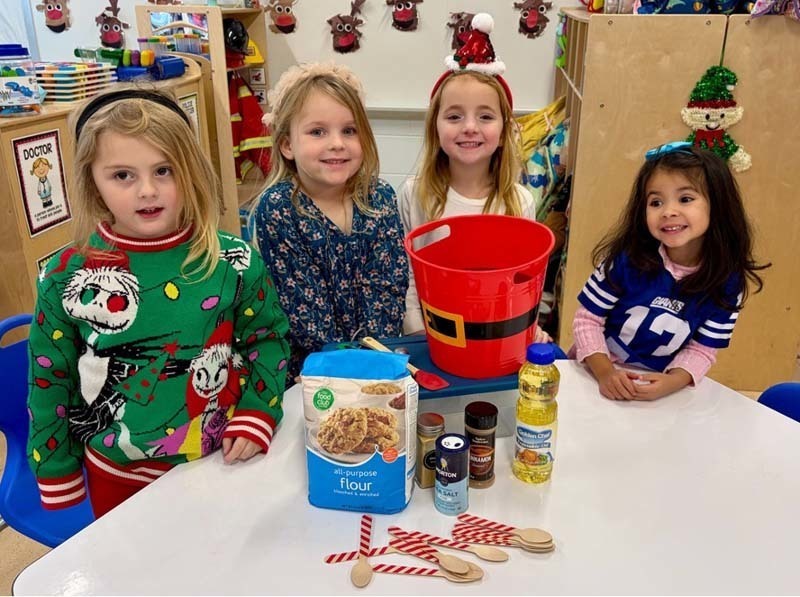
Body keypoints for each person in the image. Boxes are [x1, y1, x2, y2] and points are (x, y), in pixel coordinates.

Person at [27, 88, 290, 517]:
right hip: (117, 472)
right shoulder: (64, 275)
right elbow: (49, 377)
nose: (147, 190)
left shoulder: (233, 261)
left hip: (218, 461)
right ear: (91, 178)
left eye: (164, 170)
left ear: (189, 171)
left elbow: (268, 340)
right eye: (123, 175)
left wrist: (259, 411)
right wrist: (55, 468)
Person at [572, 141, 769, 401]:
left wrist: (672, 382)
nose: (668, 212)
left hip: (659, 397)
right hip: (593, 377)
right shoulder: (624, 259)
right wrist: (606, 373)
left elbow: (703, 349)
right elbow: (587, 320)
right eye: (655, 202)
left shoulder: (728, 283)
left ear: (718, 206)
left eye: (685, 199)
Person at [250, 62, 408, 381]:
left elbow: (387, 288)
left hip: (378, 360)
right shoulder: (278, 208)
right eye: (318, 131)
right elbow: (304, 314)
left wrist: (375, 360)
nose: (337, 143)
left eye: (349, 130)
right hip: (312, 372)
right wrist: (345, 368)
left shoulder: (380, 198)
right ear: (287, 145)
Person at [396, 13, 547, 341]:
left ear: (505, 131)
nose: (469, 127)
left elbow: (522, 283)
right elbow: (409, 278)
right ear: (435, 127)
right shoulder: (415, 194)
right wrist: (418, 334)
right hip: (434, 338)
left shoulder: (518, 202)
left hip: (497, 339)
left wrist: (529, 330)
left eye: (485, 116)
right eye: (454, 116)